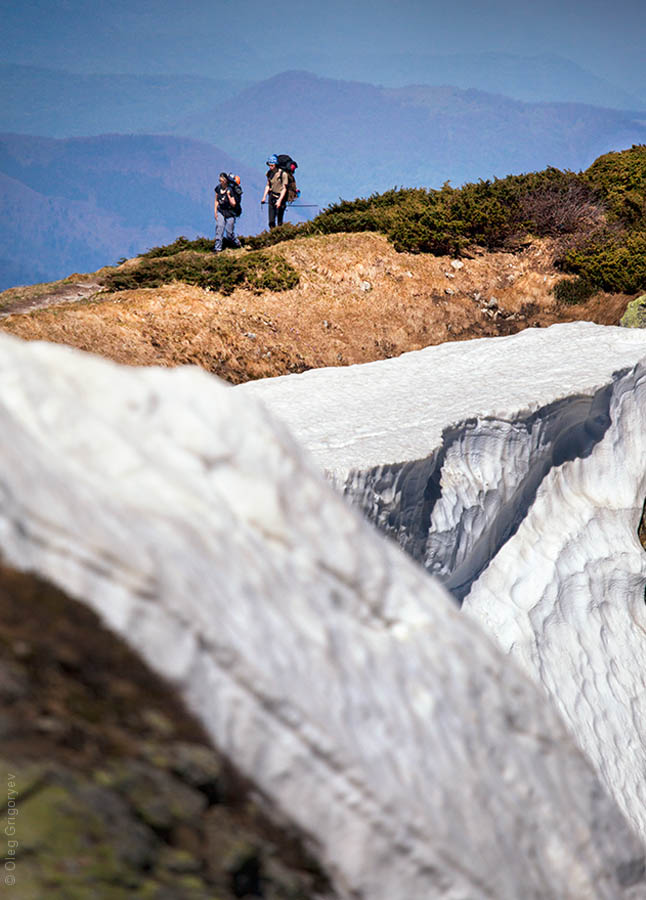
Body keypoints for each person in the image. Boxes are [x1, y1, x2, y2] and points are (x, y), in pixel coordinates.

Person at [214, 173, 241, 252]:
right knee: (219, 227)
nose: (220, 182)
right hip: (221, 211)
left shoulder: (230, 190)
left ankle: (236, 243)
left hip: (230, 212)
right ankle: (217, 248)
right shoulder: (218, 189)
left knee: (229, 233)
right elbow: (216, 200)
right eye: (220, 180)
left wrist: (229, 196)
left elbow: (233, 204)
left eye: (222, 180)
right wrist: (215, 212)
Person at [261, 155, 288, 229]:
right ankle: (273, 234)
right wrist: (264, 197)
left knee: (279, 220)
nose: (270, 167)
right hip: (272, 197)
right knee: (271, 221)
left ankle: (280, 235)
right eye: (269, 165)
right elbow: (268, 185)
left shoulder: (283, 174)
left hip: (281, 197)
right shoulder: (269, 173)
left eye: (272, 165)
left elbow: (284, 189)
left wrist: (279, 201)